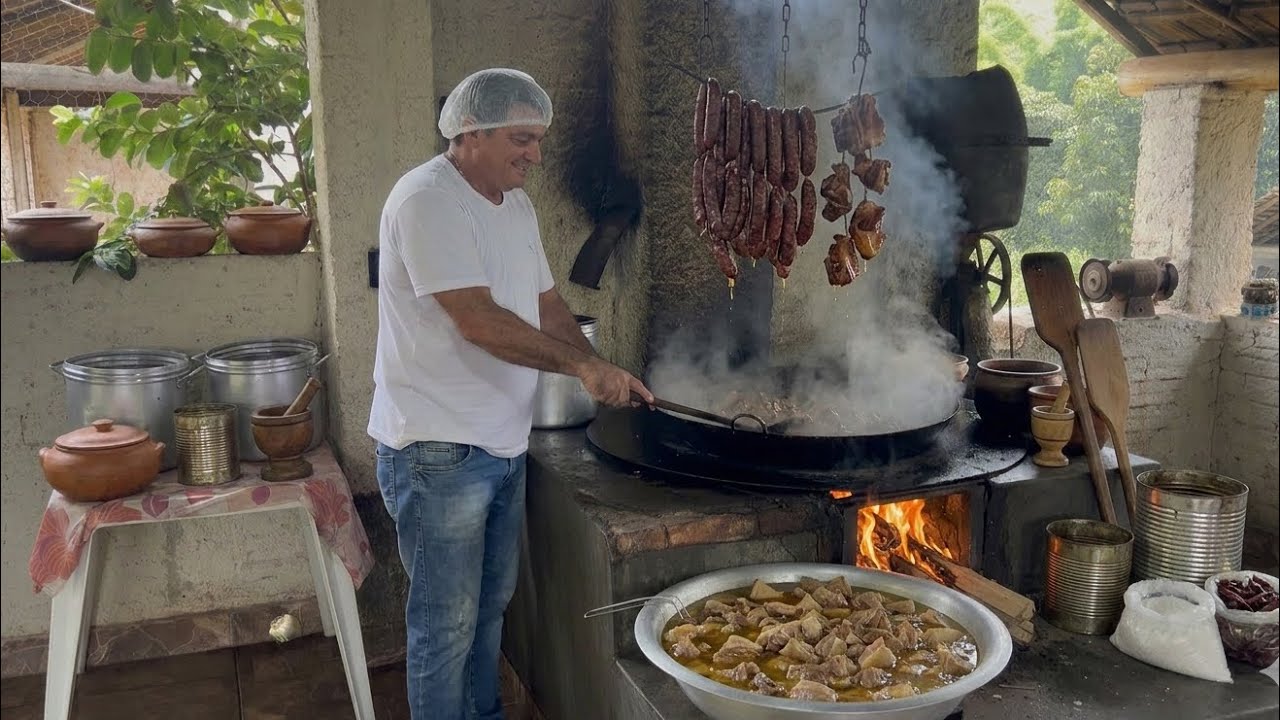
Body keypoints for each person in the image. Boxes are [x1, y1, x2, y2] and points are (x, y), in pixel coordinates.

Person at [369, 68, 654, 720]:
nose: (536, 155)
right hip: (437, 450)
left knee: (488, 609)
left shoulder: (516, 205)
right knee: (445, 625)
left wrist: (599, 365)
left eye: (539, 140)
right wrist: (581, 370)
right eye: (522, 139)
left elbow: (546, 305)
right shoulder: (427, 200)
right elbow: (479, 321)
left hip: (501, 444)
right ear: (472, 132)